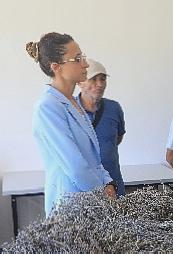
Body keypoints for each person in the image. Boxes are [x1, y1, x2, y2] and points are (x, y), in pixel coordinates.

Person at [26, 32, 115, 216]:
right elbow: (75, 165)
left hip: (92, 198)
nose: (85, 63)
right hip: (71, 203)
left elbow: (93, 158)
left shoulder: (73, 102)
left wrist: (108, 183)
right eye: (78, 59)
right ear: (56, 67)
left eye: (83, 56)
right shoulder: (48, 107)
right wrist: (103, 196)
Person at [77, 58, 126, 197]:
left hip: (114, 185)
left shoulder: (114, 108)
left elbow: (116, 139)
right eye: (93, 79)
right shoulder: (70, 111)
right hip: (84, 189)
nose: (99, 84)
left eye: (103, 79)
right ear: (80, 82)